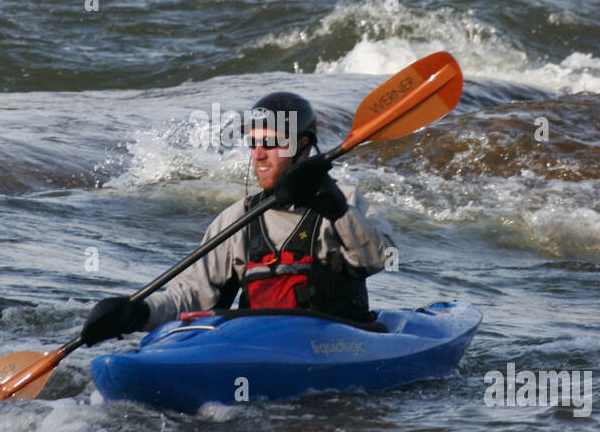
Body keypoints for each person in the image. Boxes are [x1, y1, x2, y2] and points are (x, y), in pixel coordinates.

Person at [81, 91, 388, 346]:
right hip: (259, 347)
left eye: (270, 143)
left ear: (302, 146)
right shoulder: (236, 218)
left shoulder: (345, 202)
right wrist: (139, 313)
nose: (258, 154)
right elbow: (190, 299)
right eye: (254, 143)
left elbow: (376, 259)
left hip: (332, 345)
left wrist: (335, 209)